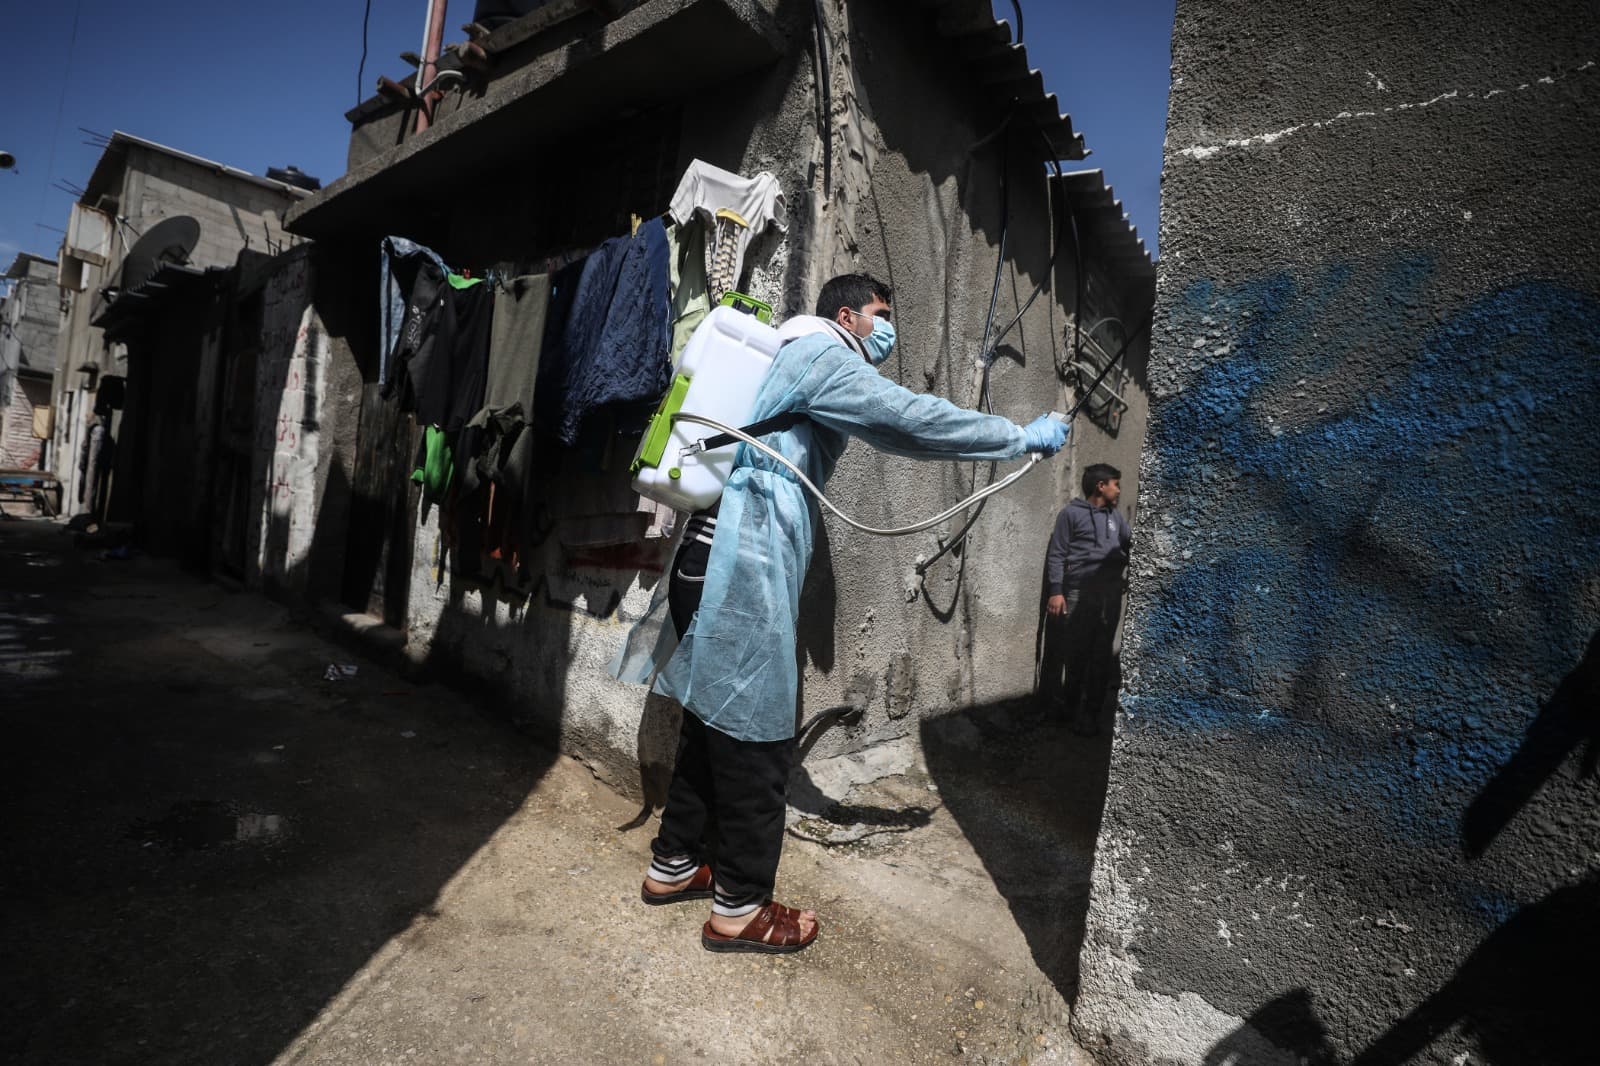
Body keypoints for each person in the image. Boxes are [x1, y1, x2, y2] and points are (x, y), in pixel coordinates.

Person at [613, 272, 1068, 954]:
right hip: (741, 565)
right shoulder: (823, 353)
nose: (886, 332)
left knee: (711, 725)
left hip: (708, 557)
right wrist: (1016, 437)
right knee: (758, 735)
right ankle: (738, 908)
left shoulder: (788, 355)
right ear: (848, 315)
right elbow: (907, 419)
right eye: (880, 317)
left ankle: (674, 864)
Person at [1040, 463, 1130, 735]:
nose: (1118, 489)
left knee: (1102, 656)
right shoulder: (1070, 514)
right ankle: (1068, 709)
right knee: (1076, 655)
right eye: (1115, 483)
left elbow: (1131, 544)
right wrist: (1057, 591)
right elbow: (1057, 554)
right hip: (1078, 594)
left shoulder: (1116, 519)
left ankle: (1091, 716)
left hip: (1109, 596)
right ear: (1100, 486)